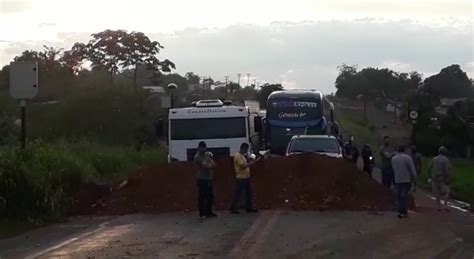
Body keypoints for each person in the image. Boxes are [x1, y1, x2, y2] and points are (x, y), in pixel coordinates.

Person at [230, 143, 261, 214]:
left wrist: (251, 159)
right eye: (246, 149)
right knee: (238, 194)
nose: (247, 151)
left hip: (246, 177)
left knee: (248, 193)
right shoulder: (238, 156)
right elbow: (242, 166)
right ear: (243, 148)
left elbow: (245, 162)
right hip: (241, 178)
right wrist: (252, 162)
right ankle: (233, 208)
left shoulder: (242, 156)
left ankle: (248, 207)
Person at [391, 145, 417, 218]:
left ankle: (402, 210)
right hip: (406, 179)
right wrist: (414, 178)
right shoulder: (408, 158)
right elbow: (412, 170)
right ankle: (402, 211)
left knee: (400, 195)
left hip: (398, 179)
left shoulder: (393, 158)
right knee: (403, 195)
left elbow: (393, 169)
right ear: (404, 150)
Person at [194, 141, 217, 219]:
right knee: (202, 196)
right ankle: (202, 213)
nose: (203, 150)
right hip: (202, 178)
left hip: (209, 178)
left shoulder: (206, 155)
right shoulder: (198, 156)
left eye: (204, 148)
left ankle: (208, 212)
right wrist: (209, 163)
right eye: (202, 148)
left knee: (210, 196)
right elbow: (206, 166)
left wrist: (209, 163)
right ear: (199, 148)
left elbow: (214, 164)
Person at [428, 146, 452, 211]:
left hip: (435, 178)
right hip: (442, 177)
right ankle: (445, 205)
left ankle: (438, 206)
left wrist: (430, 176)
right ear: (445, 152)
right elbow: (446, 170)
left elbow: (429, 168)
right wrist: (448, 178)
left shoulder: (434, 159)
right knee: (447, 191)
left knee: (437, 192)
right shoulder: (446, 159)